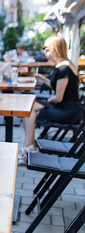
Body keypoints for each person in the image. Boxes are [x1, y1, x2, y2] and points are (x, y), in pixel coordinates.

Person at [18, 36, 82, 165]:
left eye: (45, 48)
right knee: (30, 107)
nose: (43, 51)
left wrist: (45, 100)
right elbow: (63, 89)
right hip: (70, 109)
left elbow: (58, 97)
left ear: (52, 48)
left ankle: (28, 148)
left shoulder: (64, 68)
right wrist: (45, 80)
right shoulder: (66, 65)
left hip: (68, 112)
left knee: (30, 108)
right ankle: (29, 148)